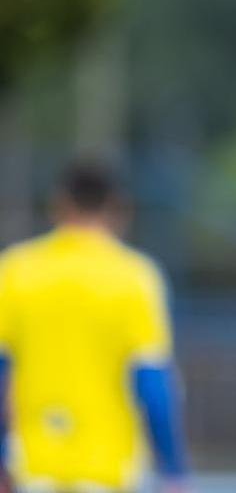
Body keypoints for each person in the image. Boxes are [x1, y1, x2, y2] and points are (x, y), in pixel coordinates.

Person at [0, 161, 188, 493]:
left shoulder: (16, 271)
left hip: (33, 465)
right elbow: (152, 382)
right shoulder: (135, 278)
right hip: (109, 469)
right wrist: (173, 469)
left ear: (58, 204)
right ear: (118, 207)